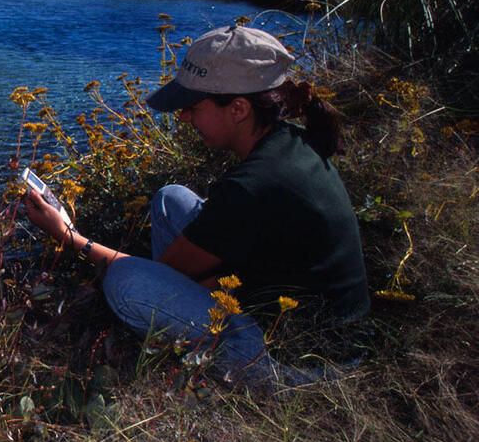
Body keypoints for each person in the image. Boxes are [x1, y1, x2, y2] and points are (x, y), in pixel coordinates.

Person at [24, 25, 370, 385]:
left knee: (126, 282)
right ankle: (184, 325)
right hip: (315, 329)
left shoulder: (252, 186)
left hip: (301, 365)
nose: (183, 118)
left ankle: (185, 361)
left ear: (238, 108)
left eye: (191, 107)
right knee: (170, 199)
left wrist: (69, 236)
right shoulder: (290, 142)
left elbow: (169, 272)